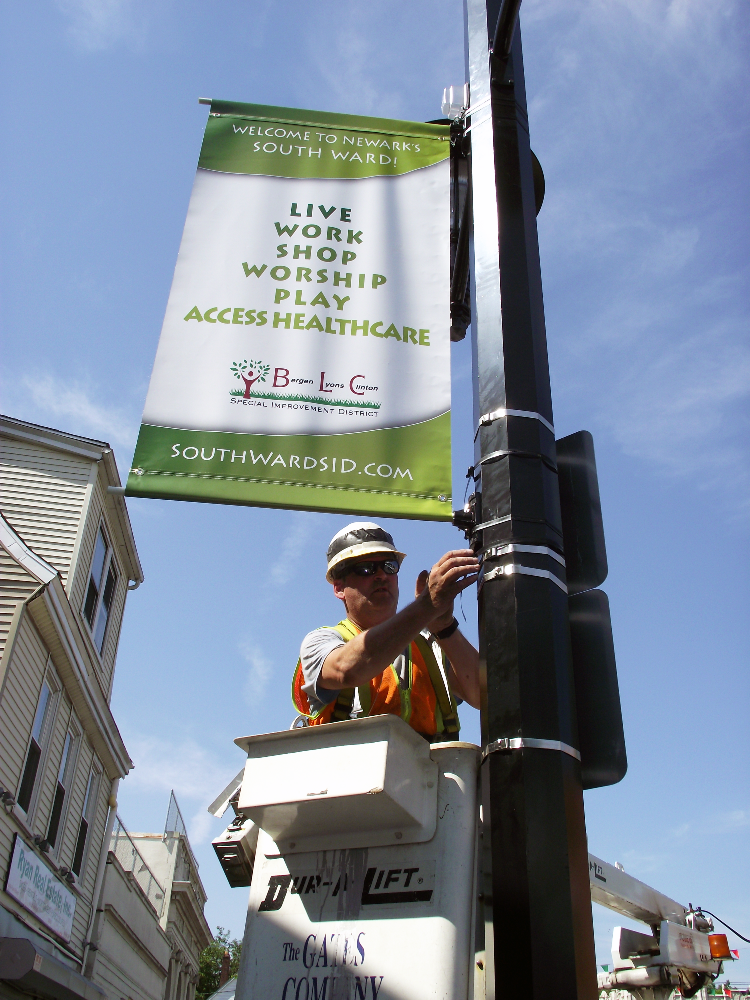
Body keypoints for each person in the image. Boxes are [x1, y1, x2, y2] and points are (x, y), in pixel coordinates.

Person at [292, 522, 481, 741]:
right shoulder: (321, 642)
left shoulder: (431, 650)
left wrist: (444, 626)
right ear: (339, 587)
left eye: (389, 566)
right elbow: (347, 670)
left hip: (429, 774)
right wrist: (426, 608)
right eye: (366, 568)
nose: (381, 575)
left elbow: (486, 698)